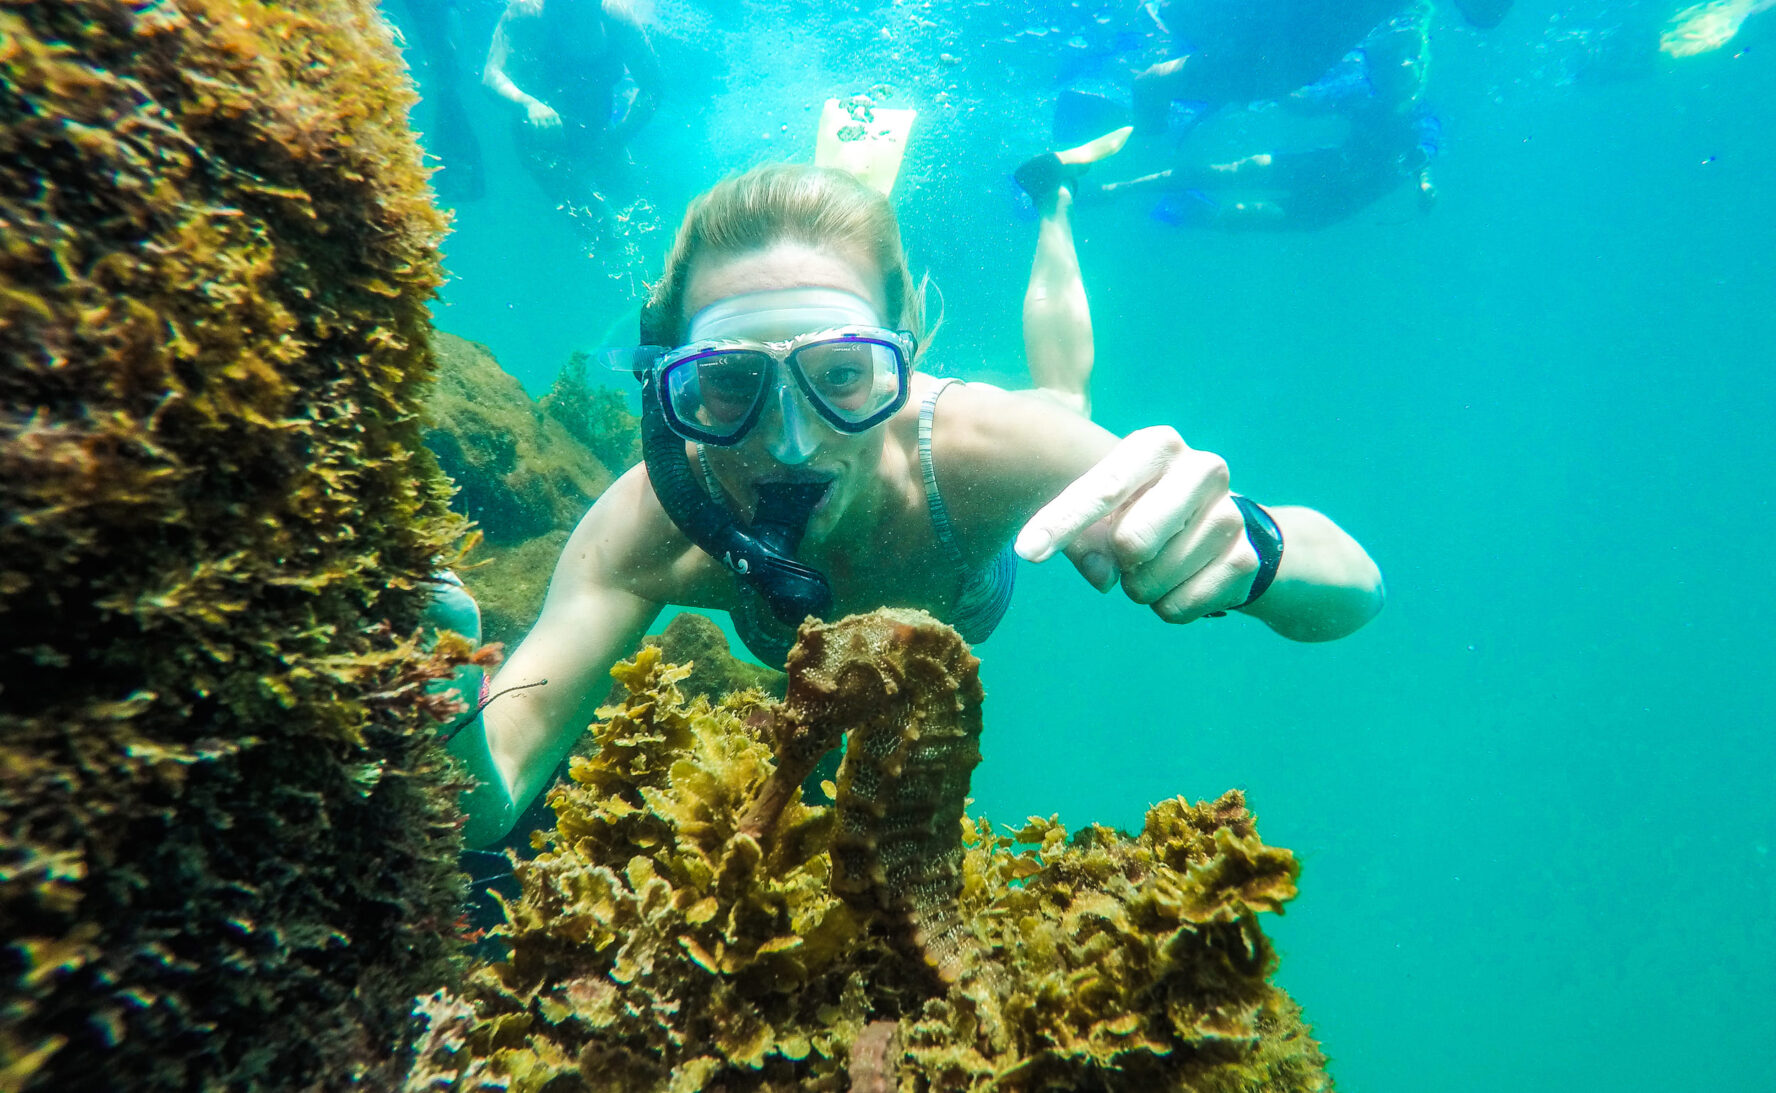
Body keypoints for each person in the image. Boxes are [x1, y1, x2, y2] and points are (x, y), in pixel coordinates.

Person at [445, 164, 1385, 846]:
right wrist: (438, 706)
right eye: (729, 384)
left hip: (1000, 480)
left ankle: (1054, 207)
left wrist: (1253, 549)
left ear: (905, 351)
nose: (791, 442)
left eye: (842, 376)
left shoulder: (980, 454)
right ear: (669, 394)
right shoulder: (648, 527)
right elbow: (497, 787)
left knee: (1064, 405)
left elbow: (1357, 587)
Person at [483, 0, 663, 234]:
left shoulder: (617, 18)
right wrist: (528, 104)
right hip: (544, 146)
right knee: (605, 234)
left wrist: (618, 138)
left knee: (641, 217)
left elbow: (654, 86)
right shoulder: (527, 12)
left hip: (600, 135)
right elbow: (491, 74)